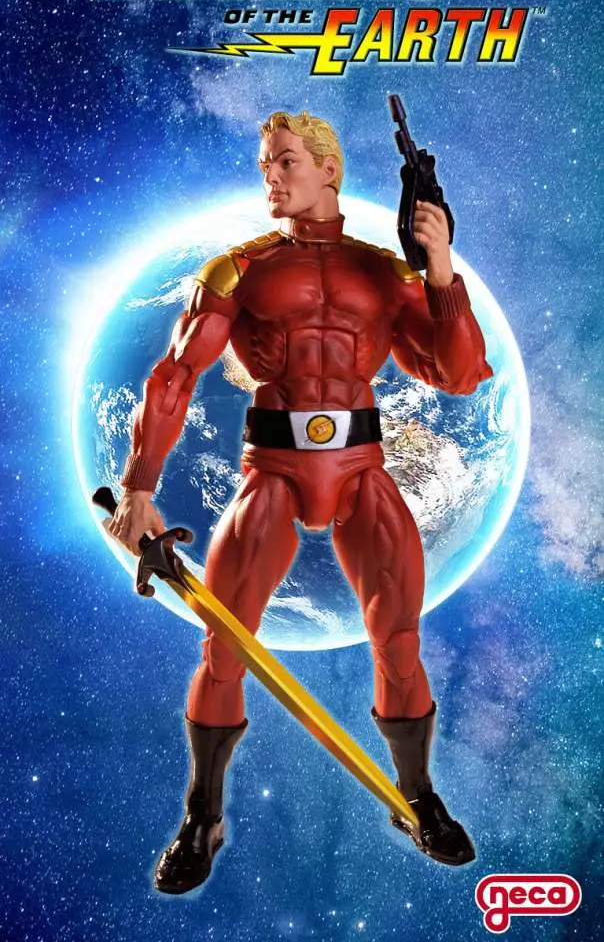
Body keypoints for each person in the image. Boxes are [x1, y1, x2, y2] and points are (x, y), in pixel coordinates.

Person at [108, 110, 493, 893]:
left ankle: (417, 797)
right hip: (275, 468)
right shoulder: (238, 271)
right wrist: (140, 486)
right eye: (265, 164)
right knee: (224, 645)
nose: (272, 176)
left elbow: (457, 375)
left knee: (399, 642)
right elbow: (174, 376)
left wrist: (441, 270)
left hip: (360, 467)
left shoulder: (386, 273)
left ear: (329, 169)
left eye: (285, 160)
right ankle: (203, 813)